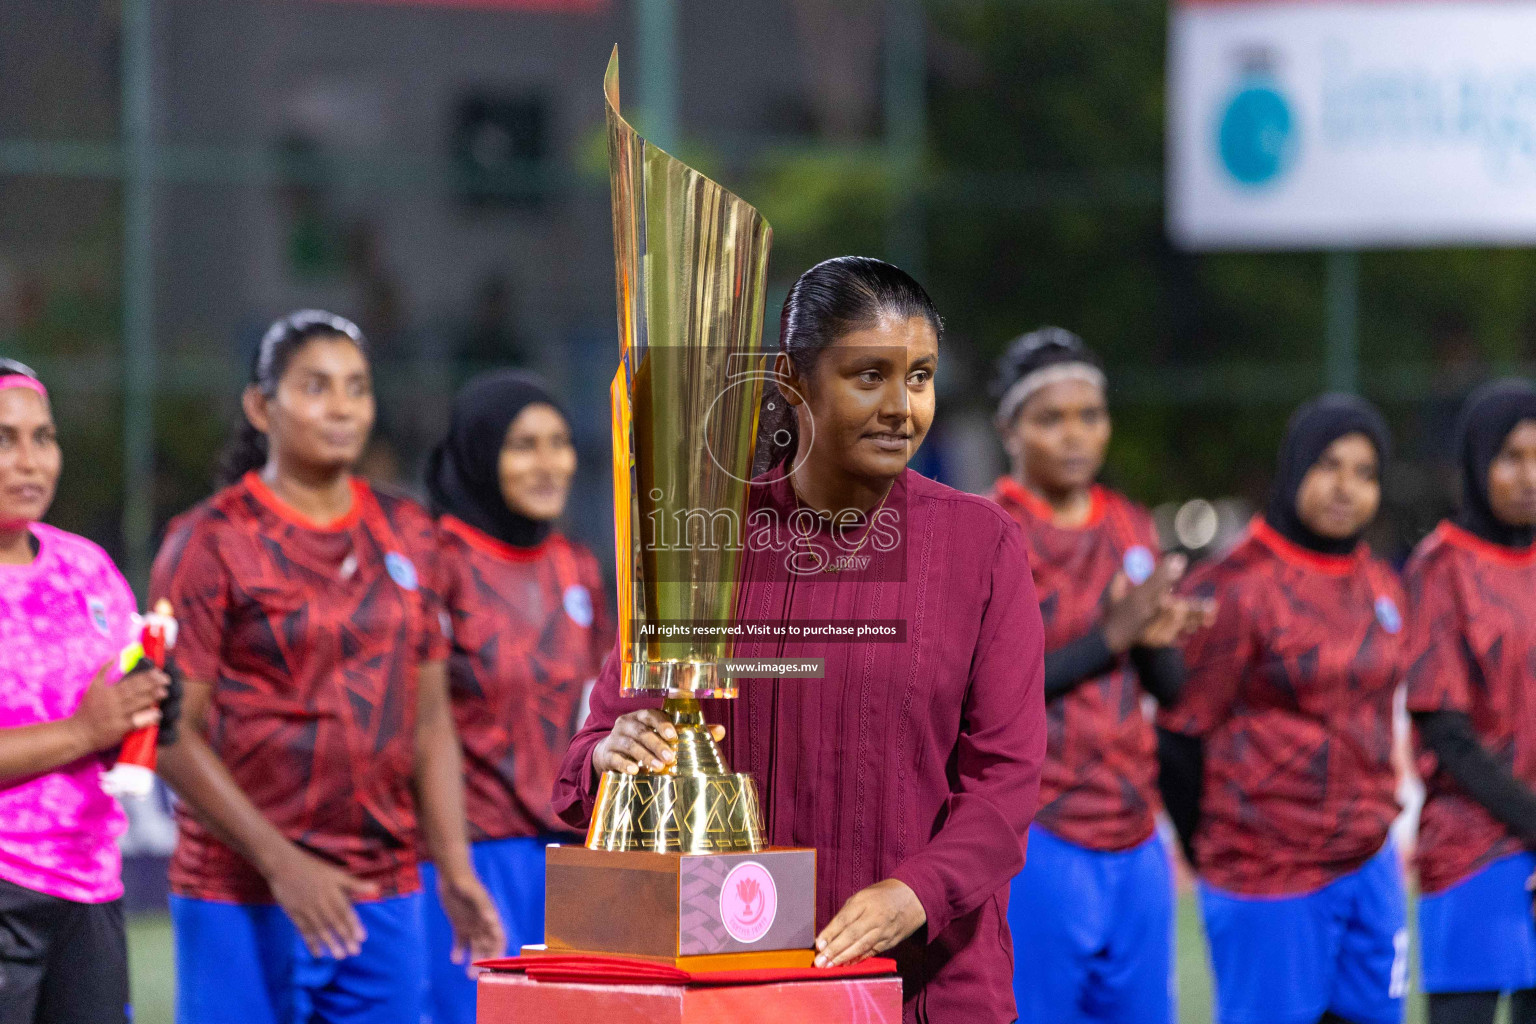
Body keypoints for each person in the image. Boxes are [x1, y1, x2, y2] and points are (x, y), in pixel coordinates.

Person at [553, 256, 1048, 1024]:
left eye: (918, 377)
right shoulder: (701, 543)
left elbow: (1006, 782)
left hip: (928, 987)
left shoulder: (981, 547)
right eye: (868, 376)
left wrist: (916, 894)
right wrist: (611, 759)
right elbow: (591, 753)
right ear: (791, 381)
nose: (901, 408)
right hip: (738, 990)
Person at [152, 311, 503, 1024]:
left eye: (357, 388)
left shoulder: (411, 535)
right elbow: (167, 735)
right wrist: (283, 864)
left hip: (383, 892)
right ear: (260, 406)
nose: (342, 407)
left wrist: (456, 867)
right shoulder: (207, 543)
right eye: (316, 387)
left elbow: (431, 719)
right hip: (238, 894)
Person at [1159, 395, 1408, 1024]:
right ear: (1295, 466)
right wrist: (1213, 853)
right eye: (1329, 464)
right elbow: (1179, 738)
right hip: (1266, 874)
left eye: (1365, 472)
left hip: (1371, 863)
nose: (1346, 487)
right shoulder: (1235, 587)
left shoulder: (1382, 584)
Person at [988, 328, 1211, 1024]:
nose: (1075, 435)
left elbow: (1168, 689)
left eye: (1090, 415)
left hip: (1135, 832)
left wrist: (1154, 640)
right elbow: (995, 691)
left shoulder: (1129, 524)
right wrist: (1114, 635)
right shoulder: (987, 529)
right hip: (1037, 829)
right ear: (1009, 430)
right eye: (1050, 418)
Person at [421, 371, 613, 1024]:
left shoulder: (577, 566)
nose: (548, 462)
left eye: (559, 442)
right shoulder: (436, 562)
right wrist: (451, 867)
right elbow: (417, 729)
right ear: (479, 453)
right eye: (523, 444)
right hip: (465, 858)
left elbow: (602, 711)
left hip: (569, 857)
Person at [0, 359, 177, 1024]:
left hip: (91, 892)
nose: (29, 461)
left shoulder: (87, 569)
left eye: (42, 437)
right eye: (4, 439)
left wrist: (151, 712)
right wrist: (84, 731)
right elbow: (90, 725)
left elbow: (122, 719)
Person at [1403, 380, 1536, 1024]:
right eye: (1511, 456)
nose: (1529, 476)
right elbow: (1445, 730)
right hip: (1473, 848)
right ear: (1476, 463)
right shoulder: (1441, 566)